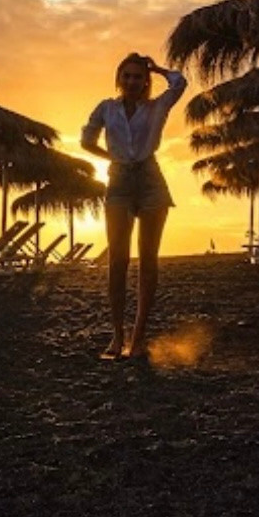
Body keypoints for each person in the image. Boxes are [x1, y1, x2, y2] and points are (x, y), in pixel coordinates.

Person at [81, 53, 187, 361]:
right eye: (126, 76)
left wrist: (157, 68)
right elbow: (86, 139)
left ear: (145, 81)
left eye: (138, 77)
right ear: (119, 78)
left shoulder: (157, 107)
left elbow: (180, 83)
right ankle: (117, 336)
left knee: (148, 259)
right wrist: (111, 158)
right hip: (119, 182)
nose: (131, 81)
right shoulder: (106, 108)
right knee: (117, 259)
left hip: (151, 180)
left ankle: (138, 338)